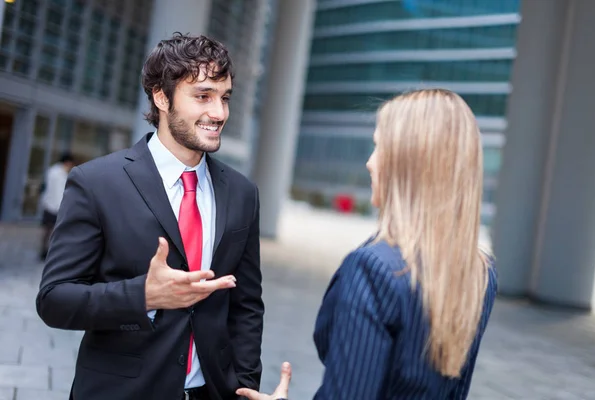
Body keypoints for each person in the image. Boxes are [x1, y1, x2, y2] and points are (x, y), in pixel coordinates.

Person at [36, 33, 264, 400]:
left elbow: (247, 304)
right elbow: (54, 300)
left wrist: (244, 385)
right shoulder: (96, 183)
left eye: (224, 98)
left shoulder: (242, 193)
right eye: (203, 96)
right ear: (161, 96)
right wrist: (142, 295)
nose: (219, 113)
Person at [237, 89, 498, 400]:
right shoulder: (479, 272)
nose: (370, 163)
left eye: (379, 148)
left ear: (409, 165)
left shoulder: (373, 269)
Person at [39, 152, 75, 260]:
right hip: (55, 206)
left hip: (48, 205)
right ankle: (50, 253)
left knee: (47, 230)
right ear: (67, 163)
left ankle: (44, 251)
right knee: (54, 231)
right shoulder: (59, 174)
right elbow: (59, 193)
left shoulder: (52, 170)